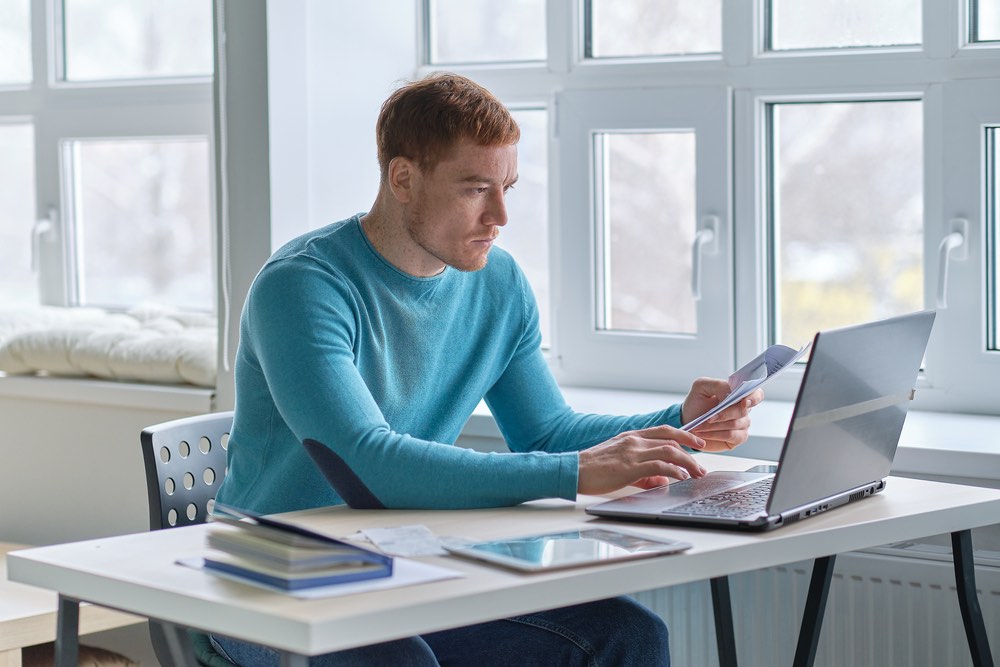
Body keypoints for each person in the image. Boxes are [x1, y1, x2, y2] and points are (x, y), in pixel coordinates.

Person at [212, 72, 763, 666]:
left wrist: (677, 424)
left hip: (400, 558)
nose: (500, 215)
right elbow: (368, 466)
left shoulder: (497, 284)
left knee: (627, 634)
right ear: (403, 178)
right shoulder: (302, 286)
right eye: (476, 189)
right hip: (267, 570)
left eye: (508, 187)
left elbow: (546, 432)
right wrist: (575, 471)